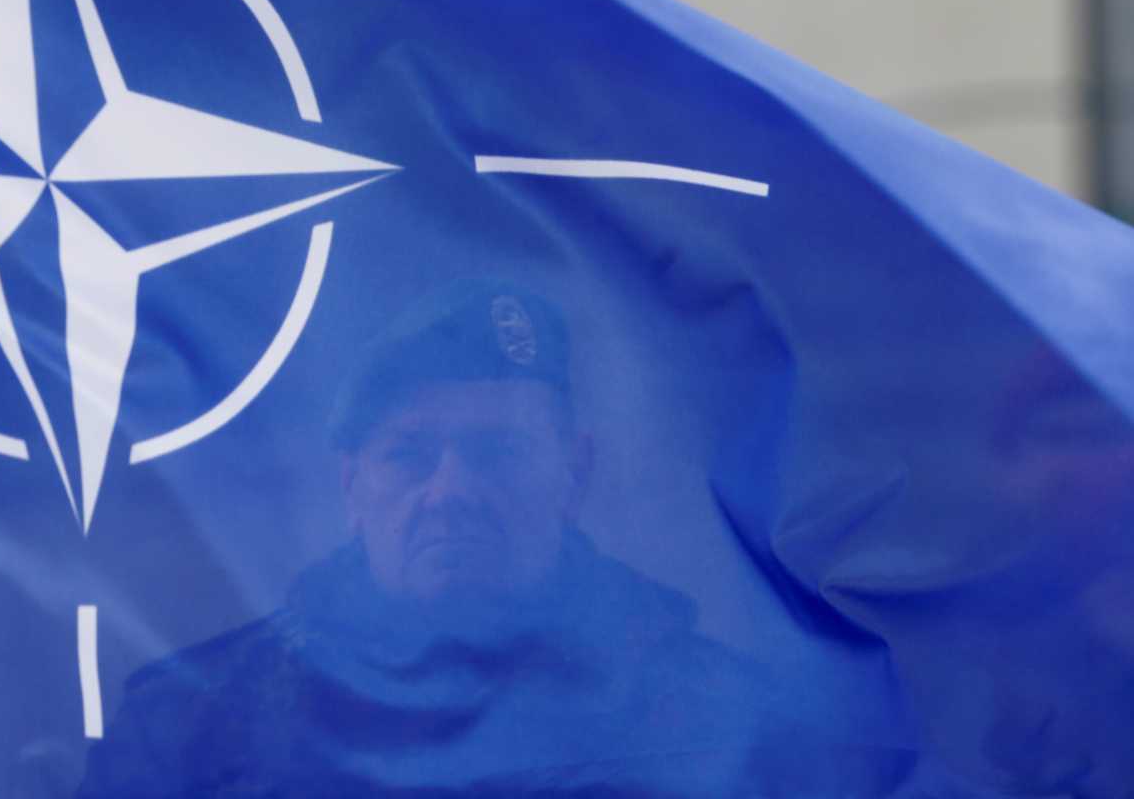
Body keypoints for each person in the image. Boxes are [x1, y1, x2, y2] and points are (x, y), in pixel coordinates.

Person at [81, 283, 914, 796]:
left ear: (573, 473)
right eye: (411, 454)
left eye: (496, 453)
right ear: (352, 485)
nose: (451, 493)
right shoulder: (196, 725)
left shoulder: (733, 724)